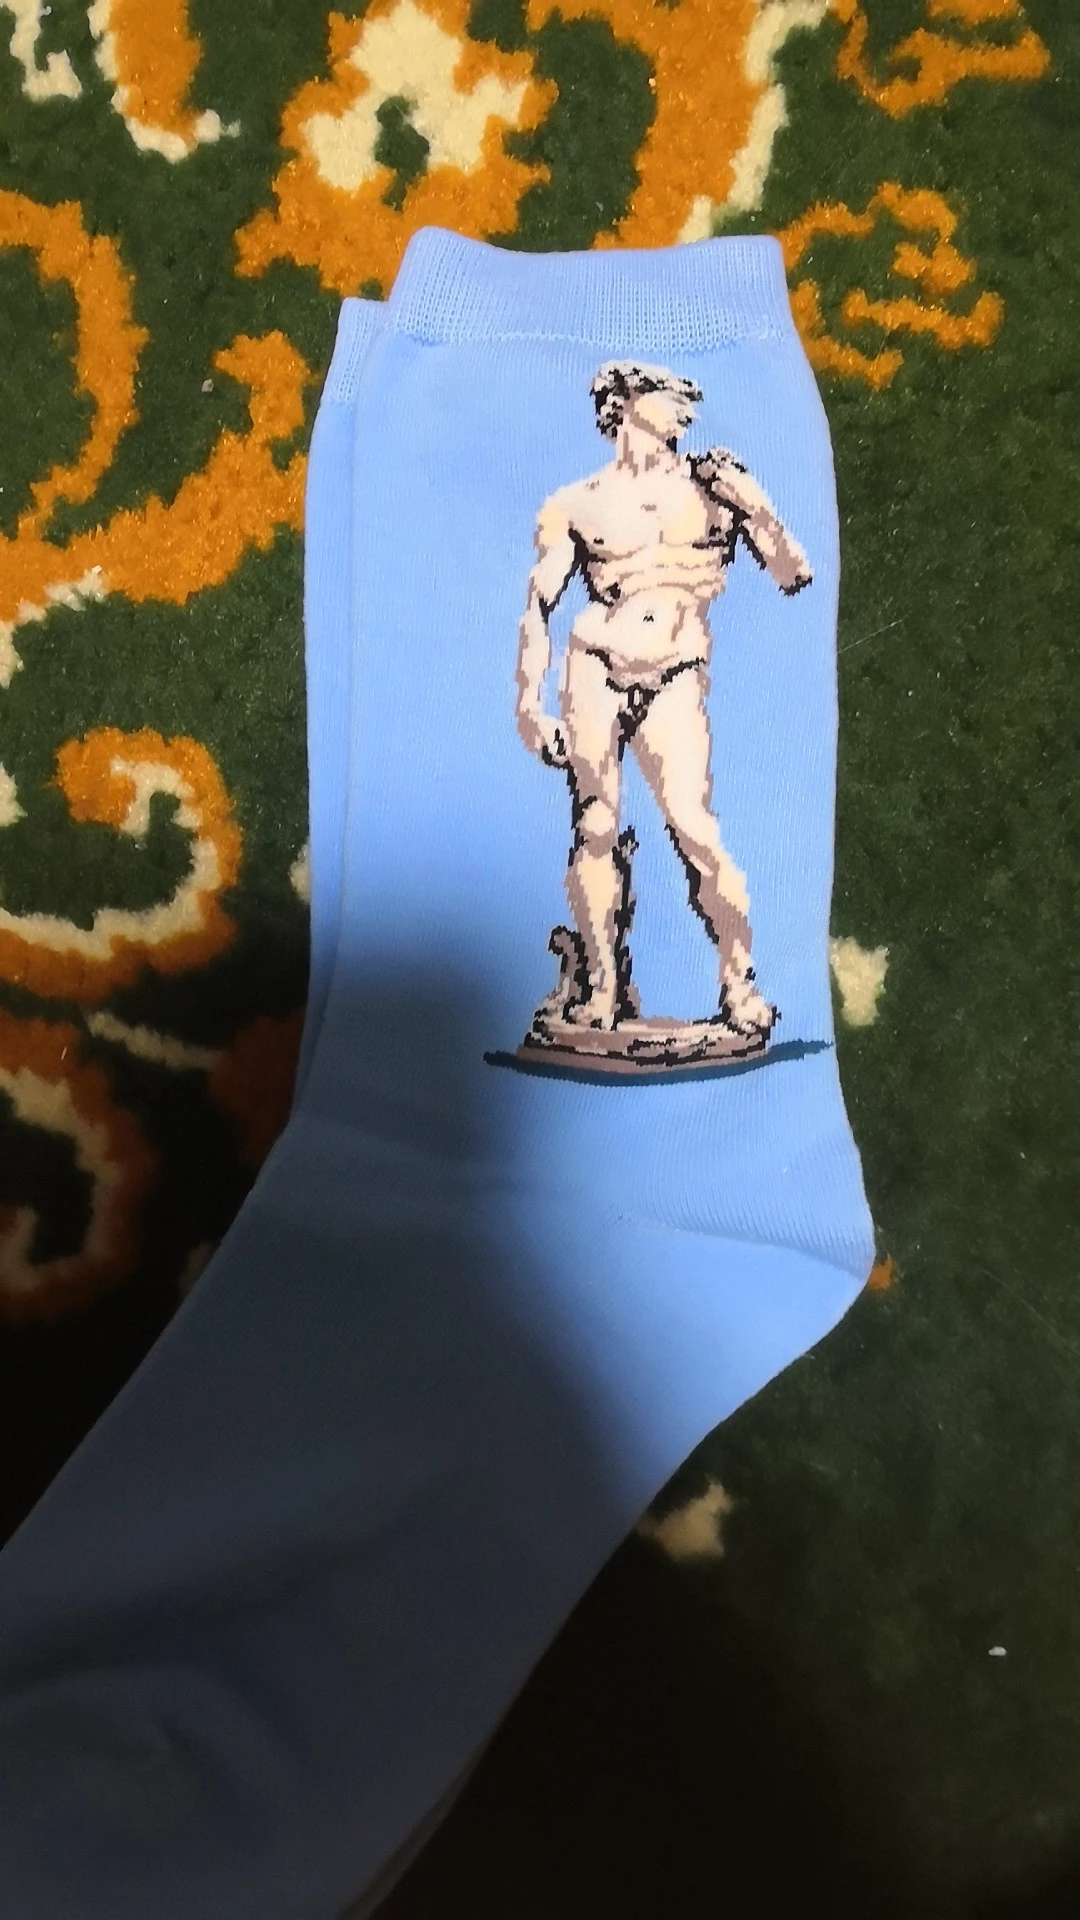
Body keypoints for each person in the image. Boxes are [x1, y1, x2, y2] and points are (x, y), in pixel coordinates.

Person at [515, 359, 811, 1041]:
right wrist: (530, 704)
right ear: (624, 399)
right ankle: (601, 991)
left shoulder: (716, 485)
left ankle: (740, 985)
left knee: (694, 829)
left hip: (676, 670)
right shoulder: (577, 501)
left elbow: (793, 571)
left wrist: (754, 504)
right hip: (594, 664)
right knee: (595, 825)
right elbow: (539, 604)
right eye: (667, 392)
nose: (685, 404)